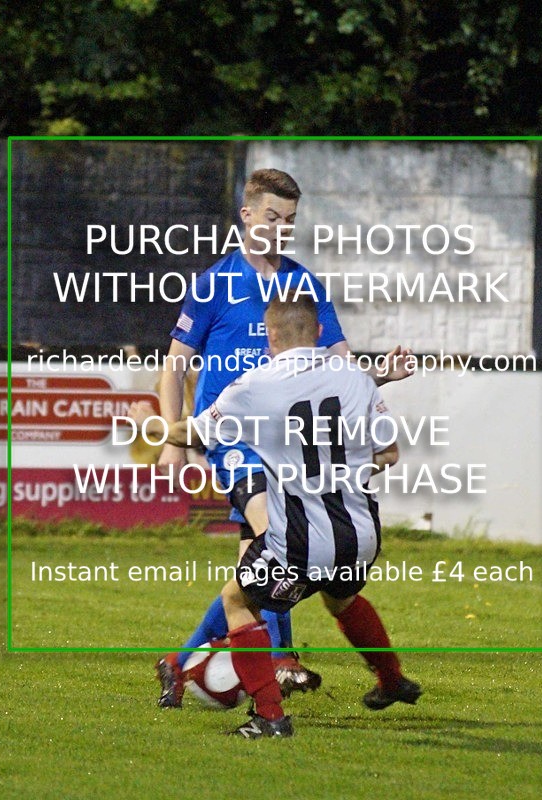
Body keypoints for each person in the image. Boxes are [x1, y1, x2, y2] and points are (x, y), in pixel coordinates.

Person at [131, 168, 414, 707]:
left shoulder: (303, 286)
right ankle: (279, 662)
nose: (281, 230)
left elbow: (339, 367)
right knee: (279, 548)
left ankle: (183, 661)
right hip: (234, 437)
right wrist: (173, 437)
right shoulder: (215, 284)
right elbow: (174, 367)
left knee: (269, 562)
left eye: (289, 222)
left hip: (286, 441)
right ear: (246, 215)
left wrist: (380, 375)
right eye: (271, 218)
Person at [163, 294, 422, 738]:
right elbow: (389, 454)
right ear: (320, 333)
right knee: (340, 599)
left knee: (238, 600)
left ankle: (270, 716)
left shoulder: (255, 385)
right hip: (361, 534)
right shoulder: (357, 379)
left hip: (304, 539)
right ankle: (392, 678)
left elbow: (195, 433)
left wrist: (146, 424)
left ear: (271, 336)